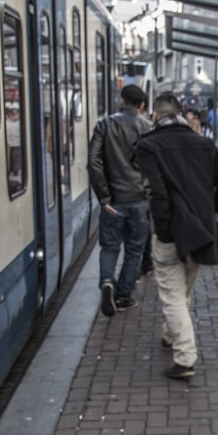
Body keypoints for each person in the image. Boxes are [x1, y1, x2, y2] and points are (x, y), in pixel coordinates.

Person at [135, 93, 218, 380]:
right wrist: (208, 210)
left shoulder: (148, 146)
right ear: (181, 114)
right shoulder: (204, 144)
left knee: (172, 295)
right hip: (200, 231)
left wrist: (164, 230)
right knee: (183, 291)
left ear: (155, 116)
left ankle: (185, 357)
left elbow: (156, 193)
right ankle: (170, 334)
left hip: (169, 233)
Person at [88, 84, 153, 316]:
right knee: (135, 249)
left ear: (122, 101)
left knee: (109, 246)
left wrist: (104, 196)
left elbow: (94, 162)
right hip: (140, 200)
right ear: (142, 105)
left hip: (113, 201)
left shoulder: (105, 125)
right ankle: (124, 296)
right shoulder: (149, 127)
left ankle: (107, 280)